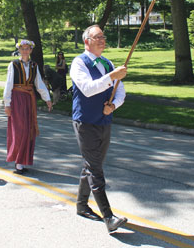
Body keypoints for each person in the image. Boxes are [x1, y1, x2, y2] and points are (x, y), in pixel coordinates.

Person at [69, 24, 128, 234]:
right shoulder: (79, 63)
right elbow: (87, 89)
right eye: (97, 37)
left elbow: (120, 91)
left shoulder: (107, 63)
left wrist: (113, 106)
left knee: (92, 164)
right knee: (95, 168)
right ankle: (109, 217)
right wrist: (112, 76)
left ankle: (82, 205)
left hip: (104, 121)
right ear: (87, 41)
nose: (102, 40)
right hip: (85, 122)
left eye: (103, 36)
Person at [3, 40, 52, 174]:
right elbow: (8, 84)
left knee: (29, 130)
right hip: (17, 99)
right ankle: (18, 161)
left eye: (27, 49)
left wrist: (47, 98)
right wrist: (7, 104)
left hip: (29, 99)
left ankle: (22, 161)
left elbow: (39, 83)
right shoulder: (13, 65)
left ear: (30, 50)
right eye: (22, 49)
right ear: (19, 50)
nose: (25, 51)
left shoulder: (33, 65)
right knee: (20, 130)